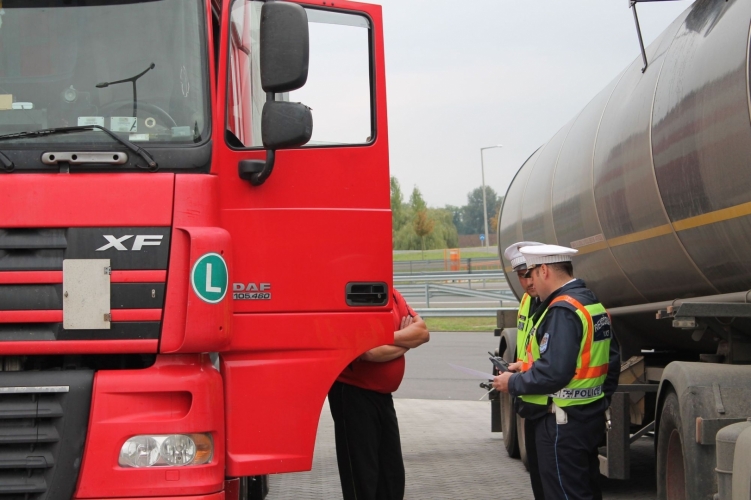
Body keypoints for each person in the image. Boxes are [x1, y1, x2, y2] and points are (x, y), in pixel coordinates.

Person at [493, 244, 621, 500]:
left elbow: (554, 372)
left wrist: (513, 382)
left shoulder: (562, 309)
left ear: (544, 271)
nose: (530, 282)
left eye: (531, 274)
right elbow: (610, 362)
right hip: (586, 417)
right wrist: (596, 402)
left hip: (561, 423)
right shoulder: (590, 303)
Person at [328, 289, 430, 500]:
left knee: (392, 477)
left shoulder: (391, 293)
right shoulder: (349, 293)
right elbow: (369, 352)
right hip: (353, 395)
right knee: (363, 480)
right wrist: (405, 340)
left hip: (383, 397)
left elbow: (422, 333)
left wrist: (384, 338)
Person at [503, 241, 546, 499]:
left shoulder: (554, 305)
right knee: (538, 479)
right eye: (522, 275)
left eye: (531, 274)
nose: (528, 282)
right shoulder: (526, 302)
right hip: (530, 402)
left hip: (550, 407)